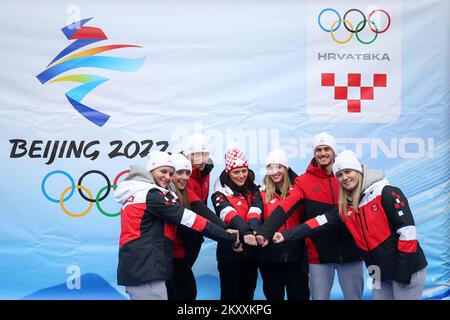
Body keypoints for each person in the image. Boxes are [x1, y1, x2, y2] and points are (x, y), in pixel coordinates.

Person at [272, 150, 428, 300]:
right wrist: (286, 235)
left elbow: (407, 231)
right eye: (339, 175)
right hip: (379, 273)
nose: (344, 177)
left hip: (406, 269)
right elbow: (318, 222)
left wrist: (404, 269)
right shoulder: (345, 207)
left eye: (348, 171)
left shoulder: (386, 192)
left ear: (358, 170)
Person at [114, 151, 238, 300]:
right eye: (163, 171)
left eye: (170, 173)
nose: (167, 177)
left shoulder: (141, 193)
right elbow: (191, 219)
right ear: (151, 171)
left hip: (142, 266)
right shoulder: (151, 194)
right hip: (146, 268)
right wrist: (228, 236)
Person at [258, 132, 364, 300]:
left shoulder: (348, 176)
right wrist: (265, 232)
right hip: (318, 256)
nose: (322, 153)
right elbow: (285, 207)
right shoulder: (304, 181)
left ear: (334, 151)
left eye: (326, 149)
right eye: (318, 149)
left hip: (351, 253)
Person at [166, 153, 240, 300]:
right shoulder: (165, 198)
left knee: (185, 293)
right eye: (179, 172)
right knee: (183, 293)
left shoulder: (184, 191)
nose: (185, 177)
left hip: (181, 253)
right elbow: (197, 219)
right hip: (169, 255)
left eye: (188, 173)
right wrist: (226, 234)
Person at [211, 144, 262, 300]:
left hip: (251, 252)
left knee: (248, 293)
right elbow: (228, 213)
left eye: (244, 171)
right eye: (236, 172)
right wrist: (246, 232)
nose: (241, 175)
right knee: (230, 295)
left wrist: (252, 232)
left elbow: (256, 211)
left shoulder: (254, 190)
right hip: (229, 254)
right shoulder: (219, 193)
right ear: (228, 173)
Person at [258, 149, 310, 300]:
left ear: (286, 168)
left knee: (299, 295)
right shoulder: (261, 193)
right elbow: (256, 219)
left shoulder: (299, 192)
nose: (275, 172)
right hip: (270, 258)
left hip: (296, 257)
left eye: (279, 167)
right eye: (271, 168)